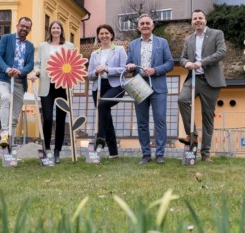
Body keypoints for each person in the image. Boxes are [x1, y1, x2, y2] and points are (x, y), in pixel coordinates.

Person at [178, 9, 226, 163]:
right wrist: (187, 63)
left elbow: (221, 52)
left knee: (207, 117)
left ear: (205, 20)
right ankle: (192, 134)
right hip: (193, 78)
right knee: (182, 100)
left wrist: (201, 62)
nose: (197, 20)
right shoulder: (188, 40)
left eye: (200, 18)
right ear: (191, 22)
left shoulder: (216, 34)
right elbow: (182, 58)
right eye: (194, 19)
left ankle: (205, 154)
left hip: (210, 81)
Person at [125, 14, 173, 164]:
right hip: (139, 85)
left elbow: (170, 63)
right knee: (142, 122)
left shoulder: (162, 42)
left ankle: (160, 154)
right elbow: (128, 63)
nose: (145, 25)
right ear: (138, 27)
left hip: (158, 87)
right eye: (142, 24)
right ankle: (146, 154)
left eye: (147, 23)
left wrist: (155, 70)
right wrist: (130, 66)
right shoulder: (133, 44)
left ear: (152, 26)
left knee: (160, 121)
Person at [32, 20, 74, 164]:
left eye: (58, 28)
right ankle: (47, 149)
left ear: (61, 30)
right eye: (53, 28)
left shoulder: (69, 46)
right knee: (48, 118)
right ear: (50, 31)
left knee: (61, 120)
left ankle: (57, 152)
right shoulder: (43, 46)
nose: (56, 30)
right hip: (46, 85)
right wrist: (35, 73)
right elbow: (38, 64)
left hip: (63, 86)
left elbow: (73, 64)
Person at [0, 16, 35, 148]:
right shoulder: (7, 38)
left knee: (15, 116)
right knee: (5, 98)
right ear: (17, 26)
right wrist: (7, 69)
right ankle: (4, 133)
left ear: (30, 29)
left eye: (27, 27)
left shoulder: (30, 46)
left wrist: (21, 71)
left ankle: (9, 144)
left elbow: (30, 65)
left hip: (19, 82)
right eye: (22, 26)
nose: (24, 29)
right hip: (4, 79)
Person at [88, 24, 127, 159]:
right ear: (98, 36)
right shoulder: (94, 53)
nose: (104, 36)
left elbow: (124, 69)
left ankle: (100, 137)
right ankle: (114, 153)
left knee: (103, 105)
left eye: (107, 33)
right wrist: (96, 71)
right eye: (101, 33)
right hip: (98, 86)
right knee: (107, 118)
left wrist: (108, 69)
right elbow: (89, 75)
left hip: (115, 86)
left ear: (111, 35)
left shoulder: (119, 50)